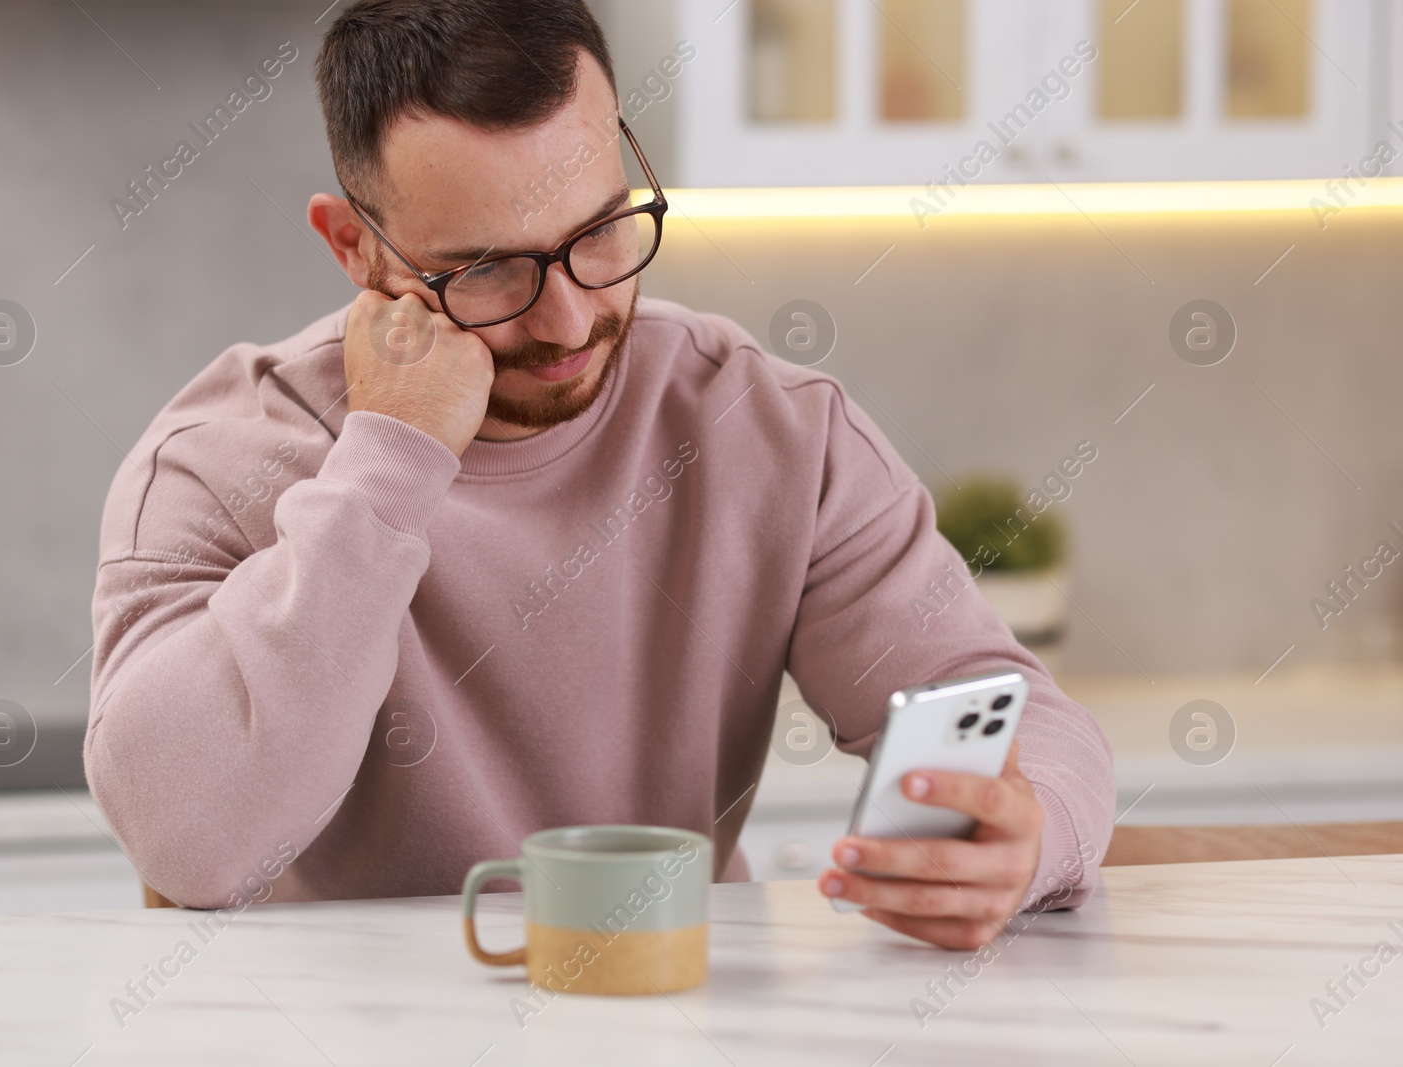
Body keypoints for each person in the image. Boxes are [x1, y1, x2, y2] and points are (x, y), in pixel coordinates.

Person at [85, 0, 1114, 951]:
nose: (570, 321)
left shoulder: (767, 429)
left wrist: (1028, 831)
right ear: (354, 246)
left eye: (599, 232)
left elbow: (1003, 711)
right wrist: (390, 463)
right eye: (488, 268)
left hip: (669, 1012)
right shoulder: (222, 460)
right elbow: (189, 847)